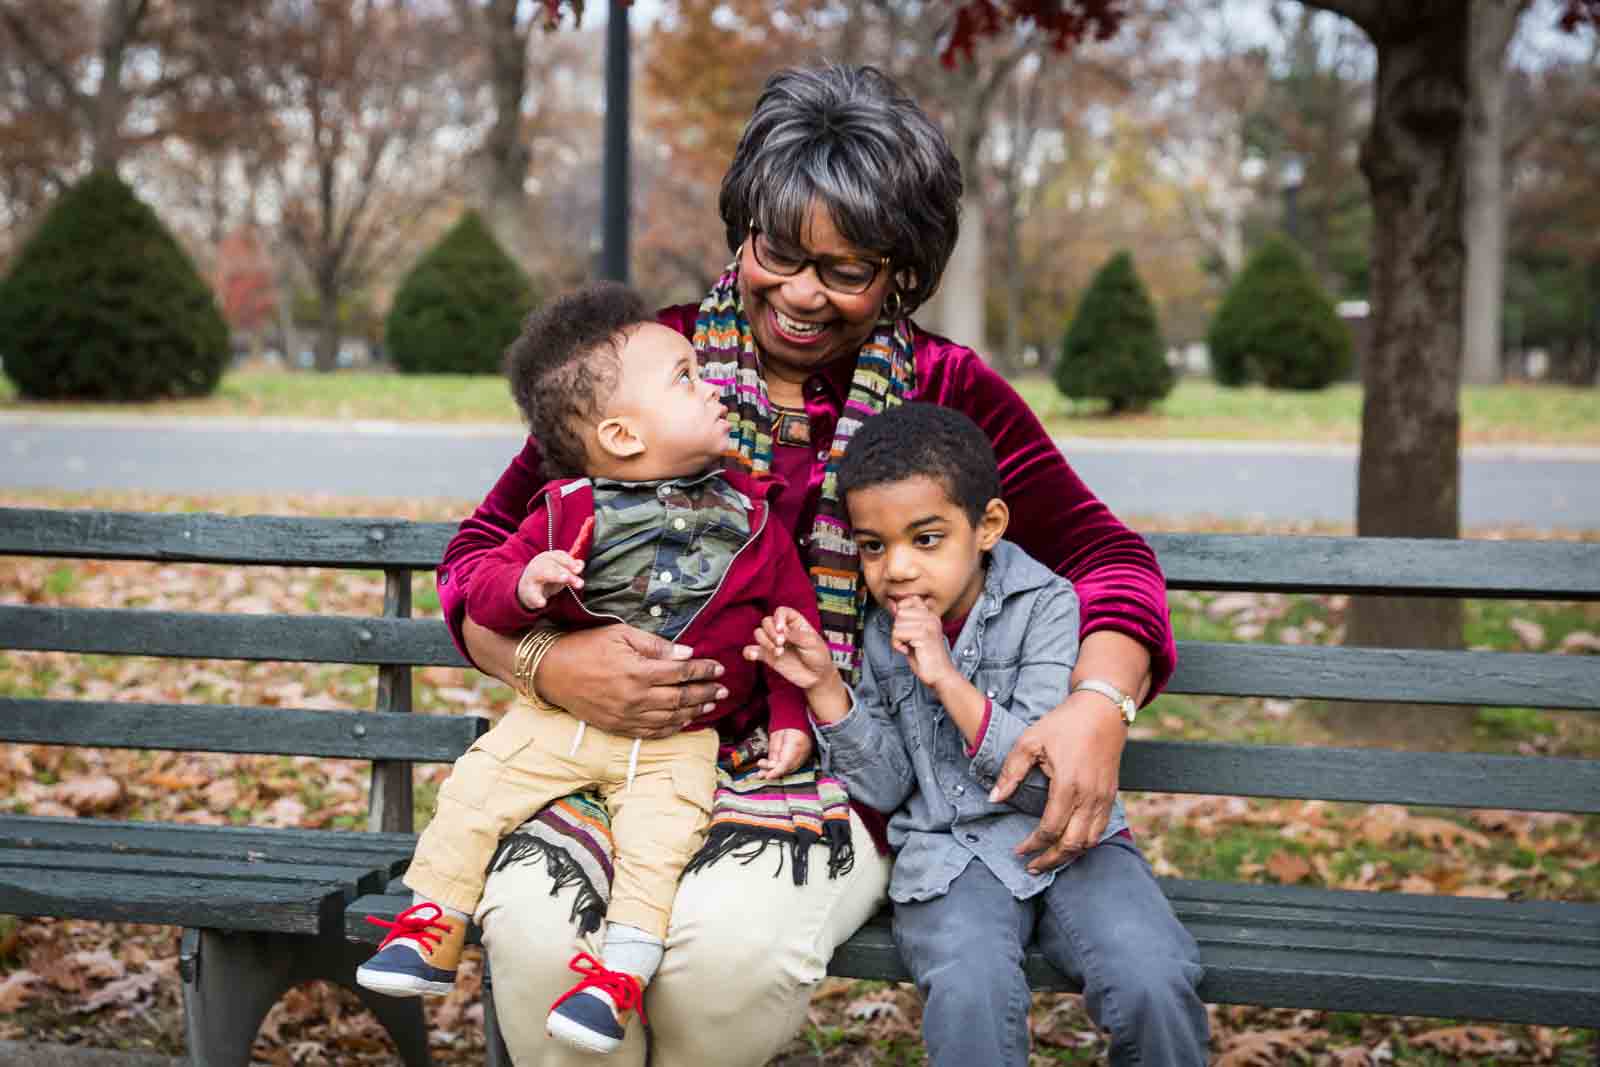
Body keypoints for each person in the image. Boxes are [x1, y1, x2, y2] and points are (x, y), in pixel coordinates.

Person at [438, 62, 1183, 1066]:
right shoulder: (645, 369)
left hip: (823, 774)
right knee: (534, 930)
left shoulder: (945, 388)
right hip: (607, 754)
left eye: (845, 270)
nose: (797, 292)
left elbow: (1106, 555)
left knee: (720, 963)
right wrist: (549, 665)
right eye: (776, 250)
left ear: (901, 271)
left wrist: (1099, 701)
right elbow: (483, 552)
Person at [358, 282, 828, 1056]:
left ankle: (619, 974)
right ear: (621, 434)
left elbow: (788, 627)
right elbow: (479, 580)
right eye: (686, 378)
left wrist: (785, 715)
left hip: (682, 739)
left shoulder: (754, 518)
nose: (711, 387)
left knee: (659, 843)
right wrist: (526, 585)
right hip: (559, 722)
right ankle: (430, 924)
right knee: (479, 784)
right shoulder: (564, 507)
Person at [745, 404, 1207, 1065]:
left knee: (1153, 976)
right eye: (874, 545)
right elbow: (888, 784)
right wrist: (826, 691)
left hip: (1077, 843)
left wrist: (945, 679)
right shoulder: (880, 632)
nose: (896, 569)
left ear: (986, 525)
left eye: (925, 538)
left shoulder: (1048, 603)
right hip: (950, 856)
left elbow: (1046, 780)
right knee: (971, 990)